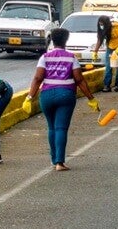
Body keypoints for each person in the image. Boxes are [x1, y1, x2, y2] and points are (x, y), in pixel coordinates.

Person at [24, 28, 98, 172]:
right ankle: (60, 162)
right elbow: (79, 79)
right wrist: (91, 98)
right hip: (66, 95)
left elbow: (38, 78)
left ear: (52, 40)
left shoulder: (44, 57)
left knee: (51, 127)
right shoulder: (71, 57)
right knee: (61, 128)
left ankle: (53, 159)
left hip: (46, 95)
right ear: (66, 40)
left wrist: (29, 97)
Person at [92, 15, 118, 92]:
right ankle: (107, 85)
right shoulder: (102, 30)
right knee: (108, 66)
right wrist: (95, 52)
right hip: (110, 47)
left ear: (106, 24)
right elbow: (99, 40)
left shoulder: (115, 27)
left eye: (102, 24)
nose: (101, 26)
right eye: (100, 24)